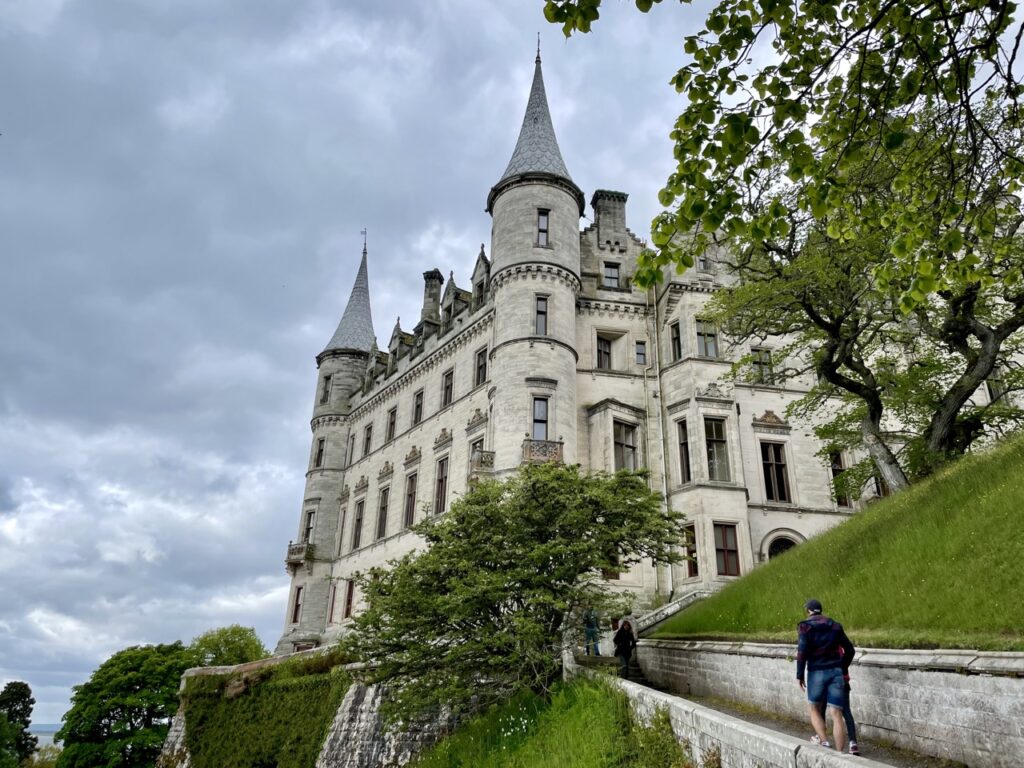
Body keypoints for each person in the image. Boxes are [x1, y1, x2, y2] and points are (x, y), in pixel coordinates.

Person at [796, 598, 855, 752]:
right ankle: (840, 752)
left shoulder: (805, 626)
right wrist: (841, 667)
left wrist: (800, 674)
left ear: (808, 611)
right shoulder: (835, 625)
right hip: (835, 672)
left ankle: (824, 741)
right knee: (836, 713)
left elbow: (802, 651)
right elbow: (850, 650)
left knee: (814, 708)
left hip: (816, 672)